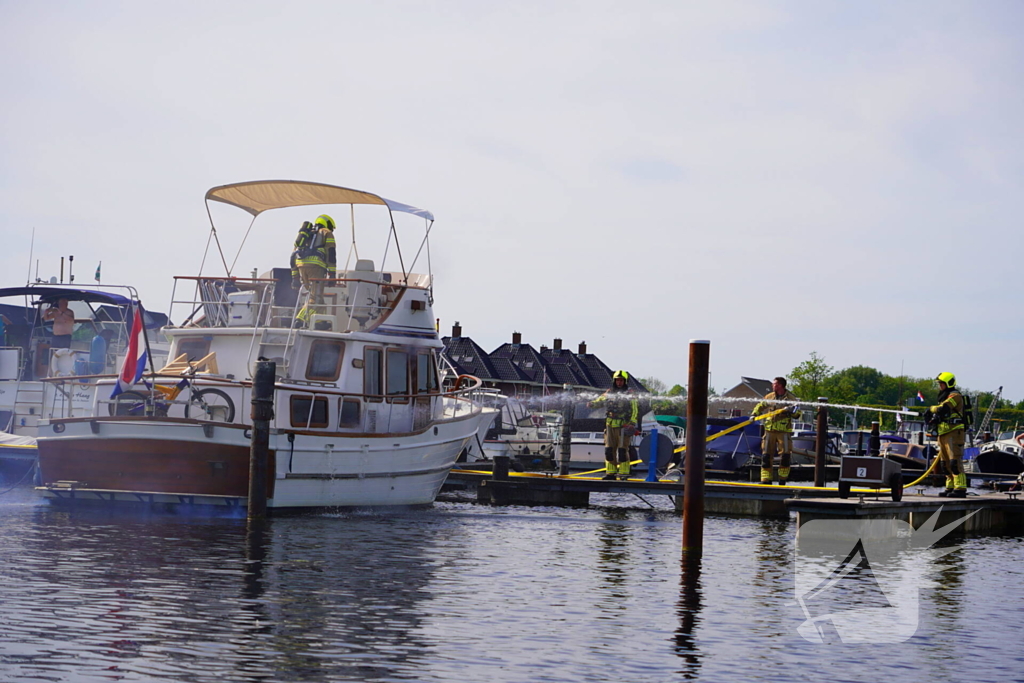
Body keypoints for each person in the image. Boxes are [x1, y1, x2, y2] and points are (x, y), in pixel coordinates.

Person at [590, 370, 640, 480]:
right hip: (610, 425)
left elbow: (635, 409)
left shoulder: (629, 393)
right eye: (617, 380)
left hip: (623, 425)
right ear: (614, 381)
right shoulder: (609, 392)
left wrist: (632, 423)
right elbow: (600, 401)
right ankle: (610, 473)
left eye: (621, 380)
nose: (619, 382)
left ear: (625, 381)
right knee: (609, 450)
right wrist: (592, 404)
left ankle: (624, 473)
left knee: (622, 450)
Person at [751, 376, 800, 485]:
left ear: (781, 385)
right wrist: (754, 414)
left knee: (785, 456)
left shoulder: (791, 399)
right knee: (766, 456)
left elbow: (798, 414)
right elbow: (760, 405)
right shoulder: (769, 397)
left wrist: (791, 412)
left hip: (783, 431)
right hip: (769, 430)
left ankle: (782, 480)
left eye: (775, 384)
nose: (773, 386)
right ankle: (765, 480)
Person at [292, 215, 337, 326]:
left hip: (301, 266)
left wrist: (295, 276)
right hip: (316, 267)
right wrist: (332, 274)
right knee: (315, 297)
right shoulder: (326, 232)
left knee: (317, 296)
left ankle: (320, 322)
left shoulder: (305, 235)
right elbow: (331, 253)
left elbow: (293, 255)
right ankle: (300, 319)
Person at [929, 372, 968, 498]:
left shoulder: (955, 396)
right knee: (944, 463)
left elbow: (943, 408)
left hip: (955, 432)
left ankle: (960, 488)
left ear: (948, 383)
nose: (940, 386)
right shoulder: (943, 397)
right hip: (943, 433)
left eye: (941, 383)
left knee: (954, 461)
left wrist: (930, 409)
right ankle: (950, 486)